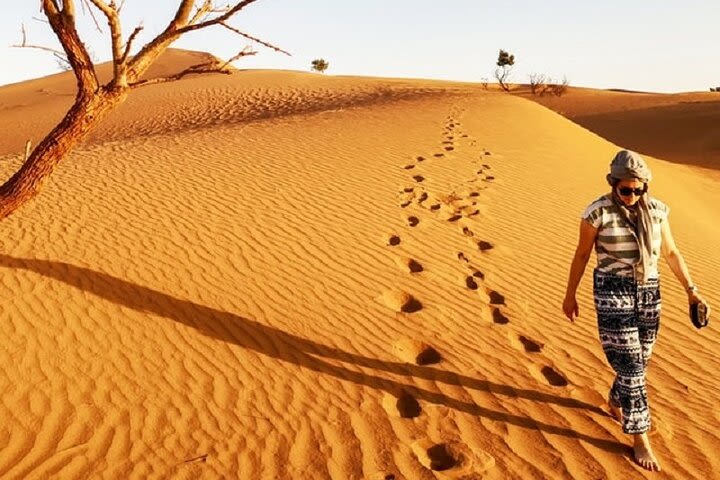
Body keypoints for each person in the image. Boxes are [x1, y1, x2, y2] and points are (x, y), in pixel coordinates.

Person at [562, 150, 709, 472]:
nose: (632, 196)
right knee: (631, 366)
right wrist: (570, 294)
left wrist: (692, 292)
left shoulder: (657, 211)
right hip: (612, 289)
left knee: (640, 359)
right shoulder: (596, 213)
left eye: (639, 189)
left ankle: (616, 400)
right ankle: (639, 435)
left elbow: (670, 252)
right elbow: (582, 255)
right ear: (612, 184)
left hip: (650, 291)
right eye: (625, 189)